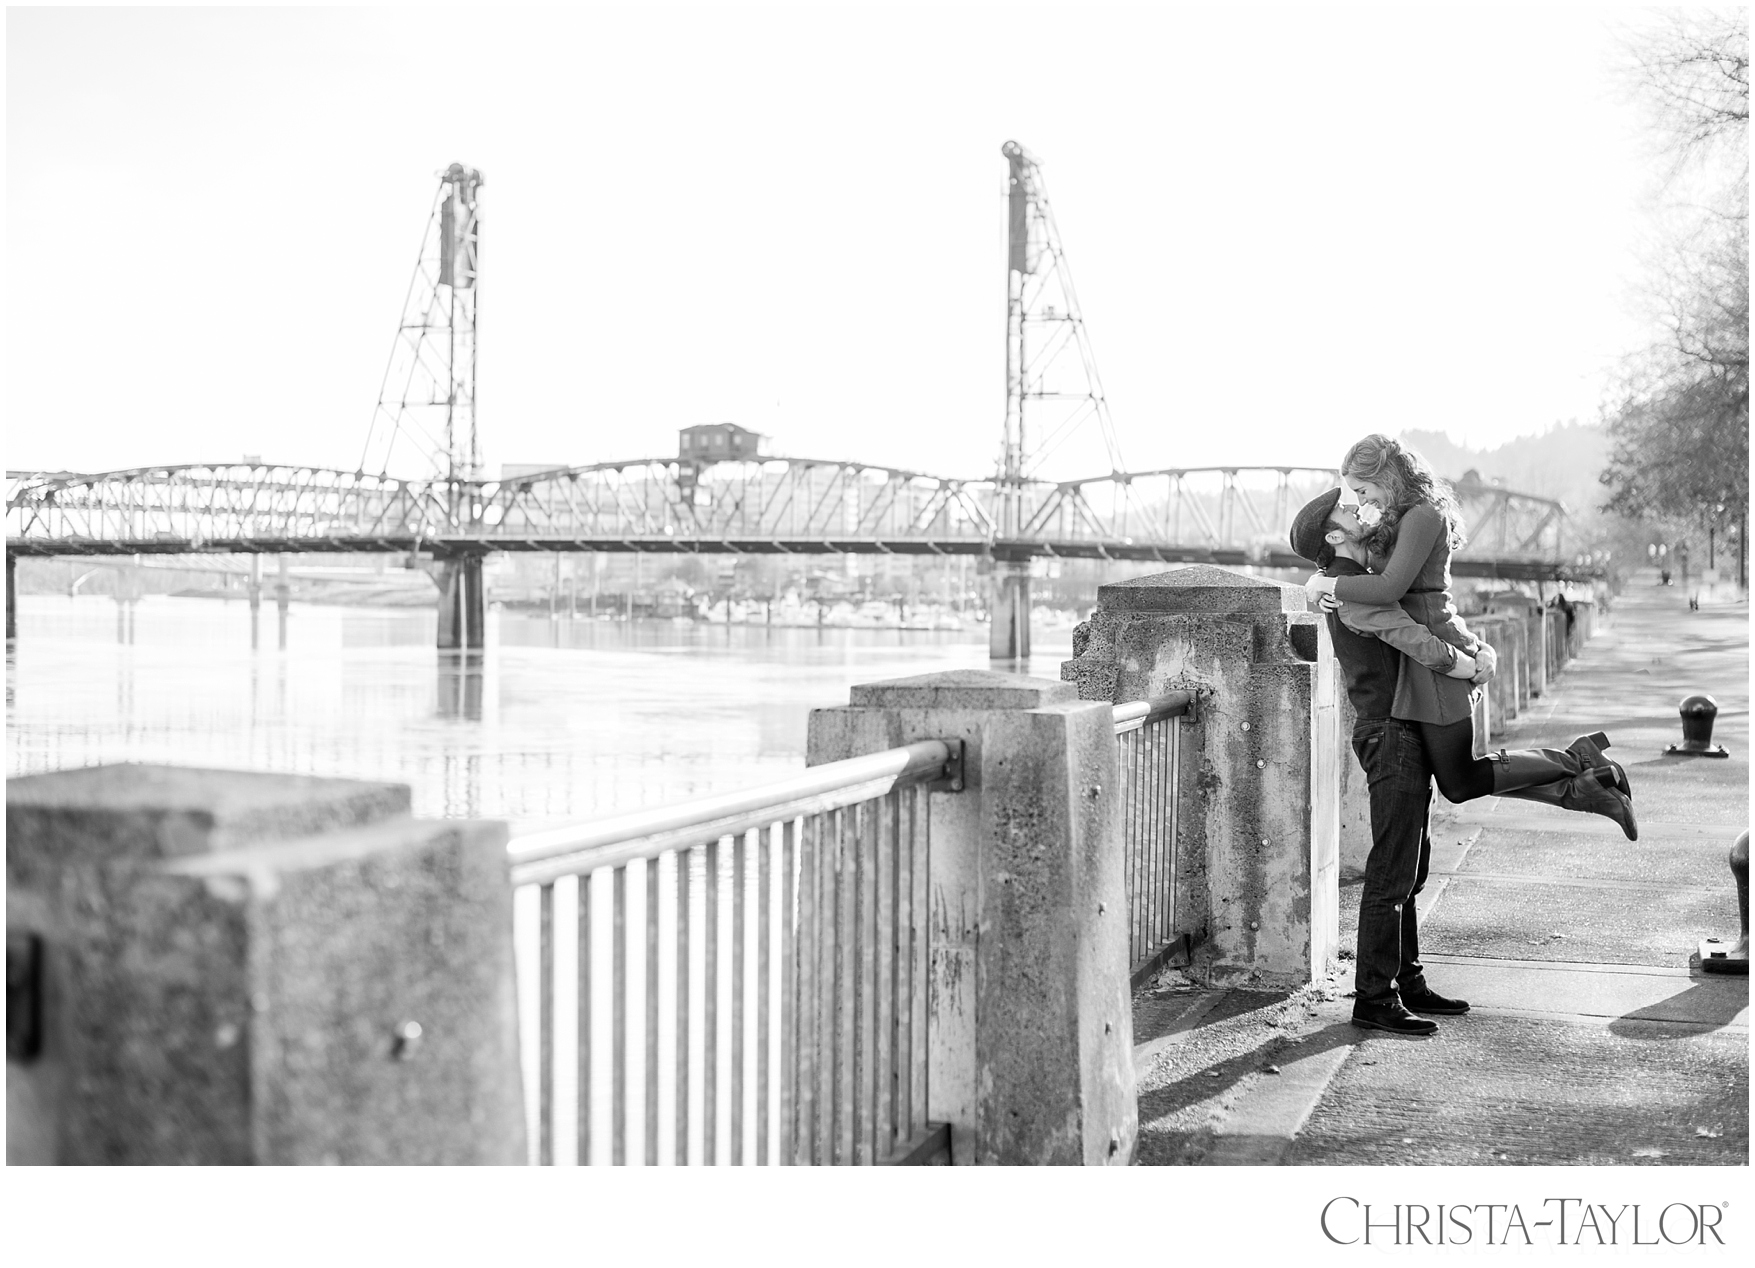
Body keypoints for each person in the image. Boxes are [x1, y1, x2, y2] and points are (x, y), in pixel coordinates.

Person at [1302, 434, 1636, 839]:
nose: (1363, 499)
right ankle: (1584, 785)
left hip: (1436, 654)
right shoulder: (1402, 518)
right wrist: (1320, 579)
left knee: (1461, 780)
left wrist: (1329, 587)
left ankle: (1572, 762)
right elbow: (1362, 573)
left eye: (1363, 488)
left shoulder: (1423, 516)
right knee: (1458, 781)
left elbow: (1388, 588)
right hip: (1425, 656)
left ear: (1385, 476)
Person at [1290, 487, 1480, 1036]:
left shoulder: (1351, 579)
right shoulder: (1354, 591)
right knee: (1392, 867)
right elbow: (1411, 635)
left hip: (1397, 725)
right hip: (1389, 730)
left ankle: (1407, 980)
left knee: (1411, 862)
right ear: (1334, 534)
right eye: (1347, 511)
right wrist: (1463, 664)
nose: (1359, 511)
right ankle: (1373, 997)